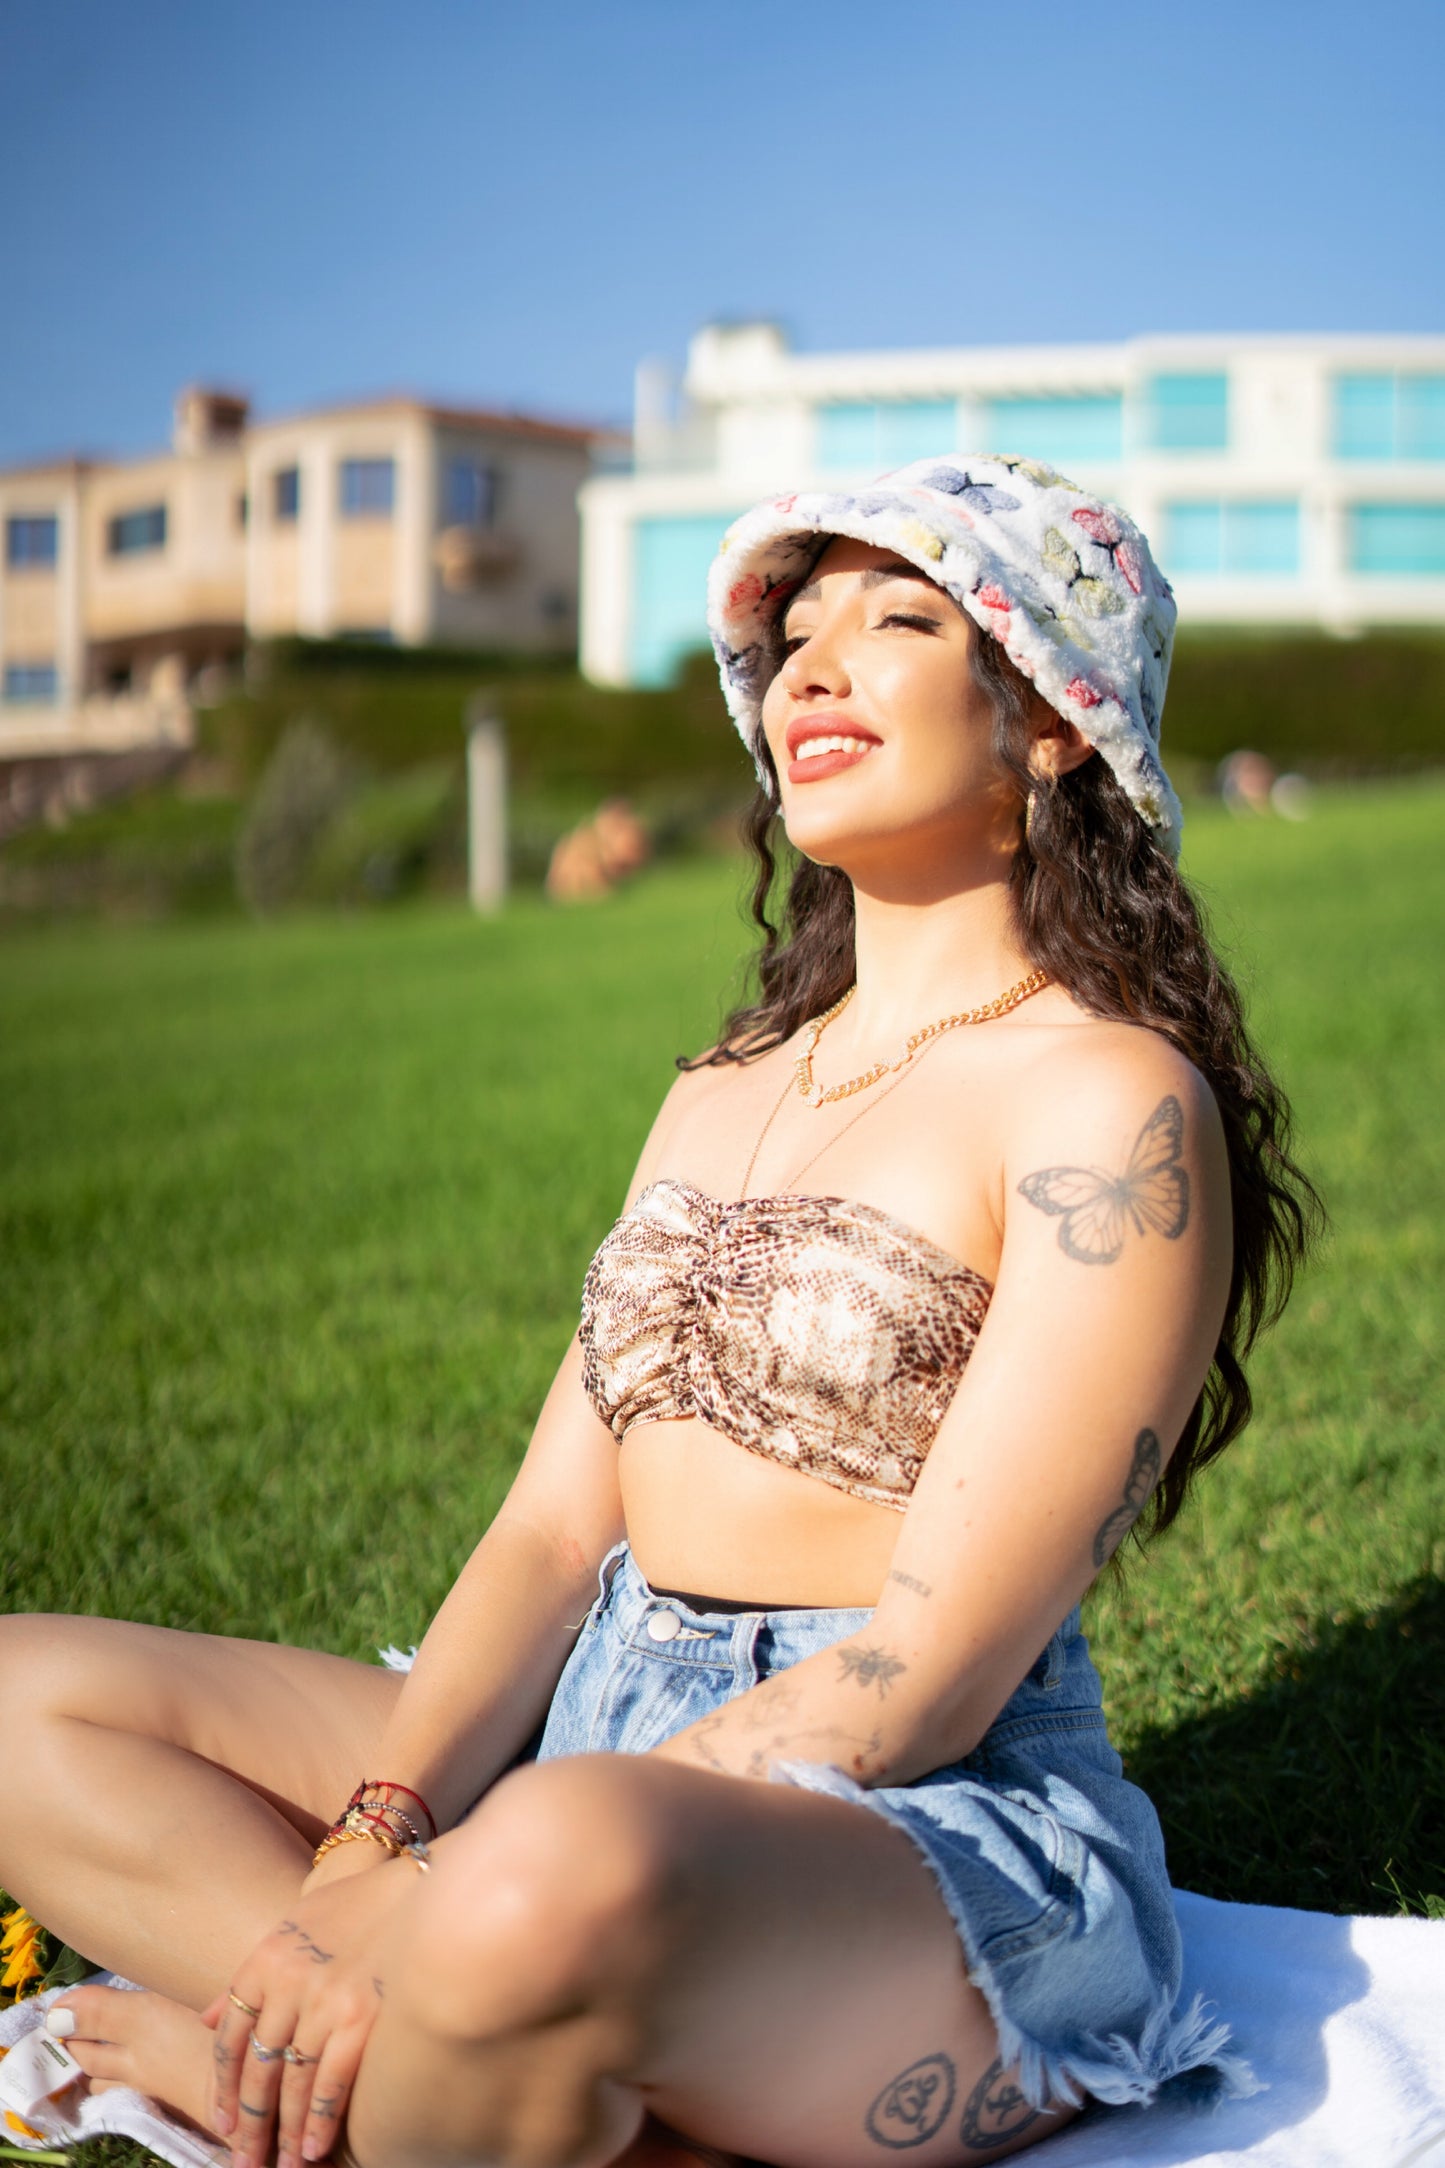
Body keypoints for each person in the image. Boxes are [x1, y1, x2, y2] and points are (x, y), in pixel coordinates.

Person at [0, 456, 1319, 2168]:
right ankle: (430, 2067)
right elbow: (556, 1535)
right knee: (26, 1700)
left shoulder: (1108, 1104)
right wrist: (363, 1859)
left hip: (904, 1806)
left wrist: (448, 1881)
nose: (812, 665)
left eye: (900, 618)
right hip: (602, 1722)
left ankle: (294, 2067)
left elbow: (919, 1677)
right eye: (797, 630)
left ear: (1050, 722)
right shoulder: (719, 1089)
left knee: (543, 1872)